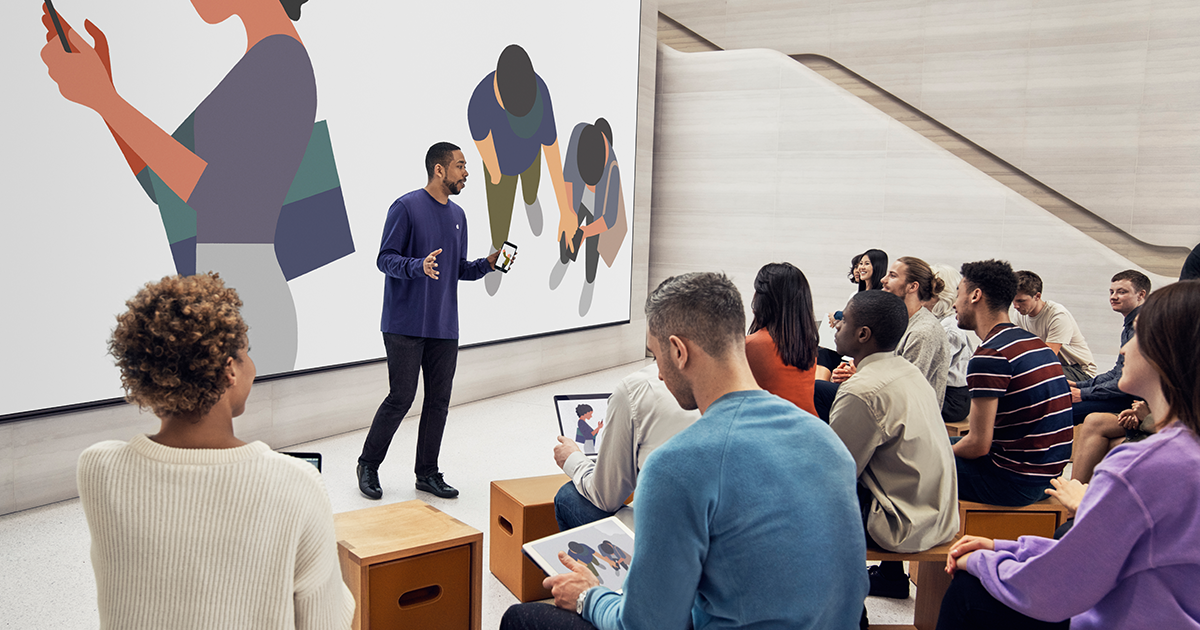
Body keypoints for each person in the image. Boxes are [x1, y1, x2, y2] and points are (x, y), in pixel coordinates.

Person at [501, 272, 867, 630]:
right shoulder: (826, 442)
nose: (658, 374)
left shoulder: (676, 466)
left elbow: (648, 625)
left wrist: (588, 596)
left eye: (656, 356)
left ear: (678, 351)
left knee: (520, 619)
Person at [40, 0, 327, 375]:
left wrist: (106, 99)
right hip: (226, 291)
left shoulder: (280, 61)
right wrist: (105, 97)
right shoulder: (265, 59)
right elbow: (162, 186)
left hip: (249, 299)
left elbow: (217, 196)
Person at [80, 273, 354, 629]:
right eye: (246, 353)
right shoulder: (296, 483)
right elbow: (326, 623)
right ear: (229, 371)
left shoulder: (98, 469)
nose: (252, 366)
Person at [939, 280, 1200, 630]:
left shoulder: (1140, 466)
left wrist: (982, 561)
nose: (1123, 352)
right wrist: (1007, 548)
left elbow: (1055, 588)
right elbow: (1100, 557)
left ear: (1167, 351)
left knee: (970, 589)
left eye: (1136, 337)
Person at [356, 143, 500, 500]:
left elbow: (458, 269)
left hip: (443, 326)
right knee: (401, 397)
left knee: (438, 402)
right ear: (439, 170)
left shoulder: (459, 216)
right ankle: (368, 464)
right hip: (403, 324)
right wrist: (416, 266)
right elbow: (384, 259)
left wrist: (488, 263)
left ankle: (427, 473)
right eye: (460, 166)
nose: (466, 173)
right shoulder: (405, 207)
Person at [829, 290, 958, 599]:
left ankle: (838, 603)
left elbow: (835, 476)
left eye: (843, 320)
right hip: (939, 515)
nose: (836, 326)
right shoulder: (906, 370)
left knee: (792, 502)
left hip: (900, 523)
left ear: (862, 334)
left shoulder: (862, 389)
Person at [952, 260, 1073, 506]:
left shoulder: (991, 355)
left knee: (902, 462)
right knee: (932, 444)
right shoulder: (1034, 342)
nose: (954, 303)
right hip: (1049, 475)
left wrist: (935, 454)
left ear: (975, 296)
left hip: (1014, 483)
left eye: (958, 293)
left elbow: (977, 445)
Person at [468, 44, 573, 295]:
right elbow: (482, 141)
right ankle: (497, 264)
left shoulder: (540, 89)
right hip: (500, 168)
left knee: (531, 190)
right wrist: (494, 172)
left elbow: (551, 149)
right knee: (500, 226)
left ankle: (530, 202)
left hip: (531, 156)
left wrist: (566, 210)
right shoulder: (480, 100)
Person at [551, 364, 700, 531]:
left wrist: (573, 459)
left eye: (656, 354)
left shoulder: (635, 389)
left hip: (656, 540)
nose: (659, 375)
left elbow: (606, 497)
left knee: (568, 495)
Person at [555, 118, 627, 314]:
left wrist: (586, 231)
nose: (591, 186)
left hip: (599, 210)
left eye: (593, 184)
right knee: (568, 231)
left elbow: (609, 218)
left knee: (593, 248)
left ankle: (589, 281)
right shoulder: (578, 136)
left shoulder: (612, 169)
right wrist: (568, 213)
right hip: (578, 198)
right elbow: (568, 176)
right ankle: (564, 260)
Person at [1067, 270, 1150, 426]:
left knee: (1064, 411)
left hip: (1134, 402)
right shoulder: (1130, 326)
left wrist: (1083, 394)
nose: (1113, 297)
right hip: (1124, 394)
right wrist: (1079, 385)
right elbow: (1117, 371)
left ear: (1141, 295)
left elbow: (1127, 382)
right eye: (1111, 292)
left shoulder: (1142, 326)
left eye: (1122, 292)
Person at [745, 262, 821, 416]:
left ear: (762, 299)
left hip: (770, 432)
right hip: (810, 428)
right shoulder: (808, 345)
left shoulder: (751, 345)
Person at [877, 256, 951, 406]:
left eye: (892, 275)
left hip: (910, 416)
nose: (883, 280)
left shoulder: (923, 332)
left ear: (912, 287)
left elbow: (906, 389)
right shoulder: (898, 321)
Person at [1011, 270, 1097, 382]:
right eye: (1013, 300)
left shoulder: (1057, 315)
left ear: (1037, 296)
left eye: (1021, 301)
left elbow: (1047, 357)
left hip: (1080, 371)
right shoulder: (1019, 315)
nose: (1015, 306)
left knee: (1029, 377)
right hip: (1051, 367)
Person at [818, 249, 888, 381]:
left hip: (859, 349)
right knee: (822, 352)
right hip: (848, 344)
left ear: (877, 266)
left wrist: (839, 316)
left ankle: (820, 389)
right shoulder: (858, 294)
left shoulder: (881, 297)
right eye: (860, 263)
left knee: (825, 355)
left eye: (866, 263)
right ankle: (819, 387)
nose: (861, 267)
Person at [928, 264, 978, 423]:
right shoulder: (939, 320)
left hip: (952, 399)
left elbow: (932, 371)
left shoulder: (949, 328)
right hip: (942, 391)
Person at [1071, 400, 1156, 483]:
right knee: (1095, 422)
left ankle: (1076, 493)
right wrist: (1137, 415)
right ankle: (1075, 490)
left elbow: (1168, 431)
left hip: (1158, 433)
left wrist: (1147, 418)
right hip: (1151, 421)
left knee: (1106, 446)